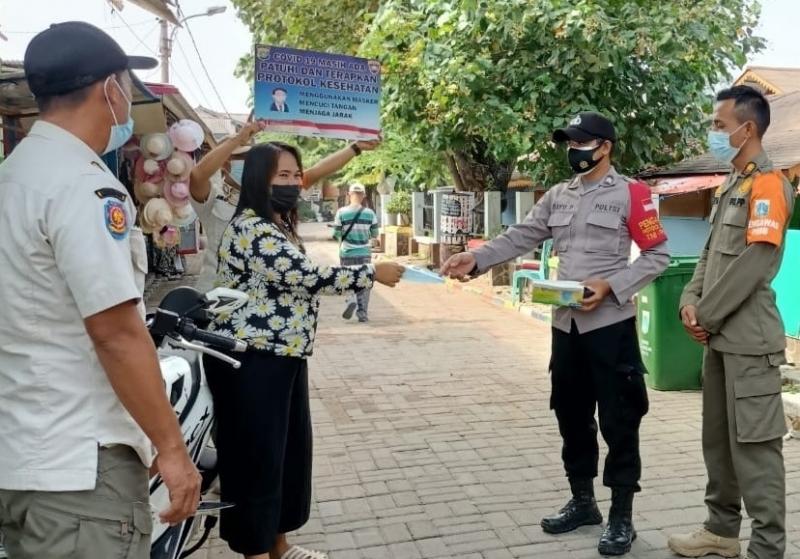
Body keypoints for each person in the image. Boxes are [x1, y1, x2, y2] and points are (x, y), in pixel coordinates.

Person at [0, 22, 200, 559]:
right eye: (125, 86)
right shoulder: (83, 185)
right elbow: (114, 331)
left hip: (20, 456)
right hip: (80, 468)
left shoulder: (14, 176)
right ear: (109, 88)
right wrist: (172, 449)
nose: (127, 102)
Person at [441, 112, 670, 556]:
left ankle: (622, 516)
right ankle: (584, 502)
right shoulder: (559, 196)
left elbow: (657, 255)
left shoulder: (632, 194)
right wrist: (480, 259)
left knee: (619, 421)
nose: (573, 150)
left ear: (605, 147)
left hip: (609, 327)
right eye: (569, 142)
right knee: (570, 414)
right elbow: (523, 233)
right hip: (565, 327)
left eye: (582, 143)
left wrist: (611, 286)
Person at [204, 142, 404, 559]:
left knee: (286, 456)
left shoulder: (277, 224)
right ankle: (256, 550)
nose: (294, 183)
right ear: (260, 179)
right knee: (255, 459)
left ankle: (279, 544)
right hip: (251, 358)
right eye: (284, 176)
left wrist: (351, 150)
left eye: (297, 176)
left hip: (284, 355)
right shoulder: (250, 227)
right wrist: (370, 273)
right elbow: (303, 275)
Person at [668, 86, 794, 559]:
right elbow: (709, 255)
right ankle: (720, 531)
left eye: (720, 125)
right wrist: (688, 299)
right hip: (718, 339)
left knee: (756, 451)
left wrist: (708, 313)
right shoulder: (729, 185)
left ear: (749, 128)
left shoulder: (768, 185)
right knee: (718, 443)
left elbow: (757, 259)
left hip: (747, 340)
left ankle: (767, 549)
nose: (714, 133)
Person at [190, 128, 380, 293]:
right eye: (243, 158)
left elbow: (316, 172)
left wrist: (355, 148)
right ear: (225, 163)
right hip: (215, 299)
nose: (251, 165)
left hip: (261, 304)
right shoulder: (213, 198)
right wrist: (237, 140)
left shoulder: (275, 195)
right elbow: (198, 176)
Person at [333, 182, 380, 322]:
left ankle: (351, 299)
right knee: (365, 282)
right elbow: (374, 234)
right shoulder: (370, 213)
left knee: (347, 278)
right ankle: (362, 313)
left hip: (347, 252)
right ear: (364, 196)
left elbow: (336, 234)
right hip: (364, 253)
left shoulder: (341, 212)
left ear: (349, 194)